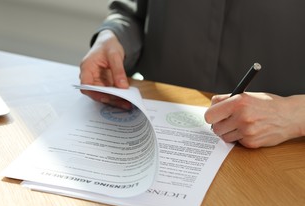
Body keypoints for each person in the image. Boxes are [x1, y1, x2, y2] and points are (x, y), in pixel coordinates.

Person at [79, 0, 305, 148]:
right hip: (152, 138)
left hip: (279, 159)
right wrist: (113, 36)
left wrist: (292, 116)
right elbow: (133, 12)